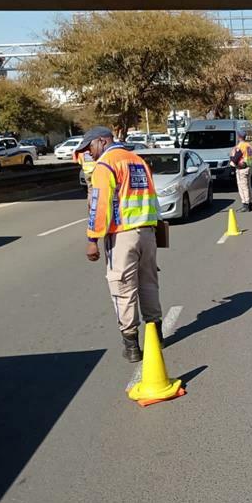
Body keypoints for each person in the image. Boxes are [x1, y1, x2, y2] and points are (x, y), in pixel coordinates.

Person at [80, 126, 163, 363]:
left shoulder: (106, 165)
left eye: (90, 147)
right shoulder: (137, 160)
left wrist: (92, 239)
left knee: (123, 288)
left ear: (102, 141)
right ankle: (156, 335)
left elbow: (100, 205)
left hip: (122, 235)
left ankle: (132, 345)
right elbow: (152, 198)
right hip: (147, 231)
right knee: (148, 283)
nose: (89, 153)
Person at [230, 129, 252, 212]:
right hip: (249, 167)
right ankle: (251, 203)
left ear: (239, 137)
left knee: (242, 187)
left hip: (242, 168)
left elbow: (235, 158)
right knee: (248, 186)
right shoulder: (249, 145)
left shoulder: (240, 146)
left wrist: (231, 158)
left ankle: (245, 205)